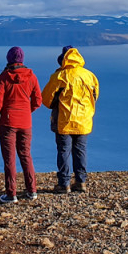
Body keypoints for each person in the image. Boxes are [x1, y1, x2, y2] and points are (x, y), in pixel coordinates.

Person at [41, 46, 100, 194]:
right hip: (84, 120)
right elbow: (95, 96)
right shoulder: (90, 76)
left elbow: (46, 100)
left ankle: (64, 183)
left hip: (64, 120)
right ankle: (81, 181)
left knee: (63, 151)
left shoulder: (59, 76)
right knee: (80, 150)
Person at [0, 46, 41, 203]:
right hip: (25, 122)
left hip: (7, 123)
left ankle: (11, 193)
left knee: (10, 158)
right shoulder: (31, 76)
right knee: (26, 155)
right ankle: (32, 190)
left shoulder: (4, 77)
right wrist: (26, 111)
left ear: (8, 59)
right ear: (22, 60)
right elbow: (38, 101)